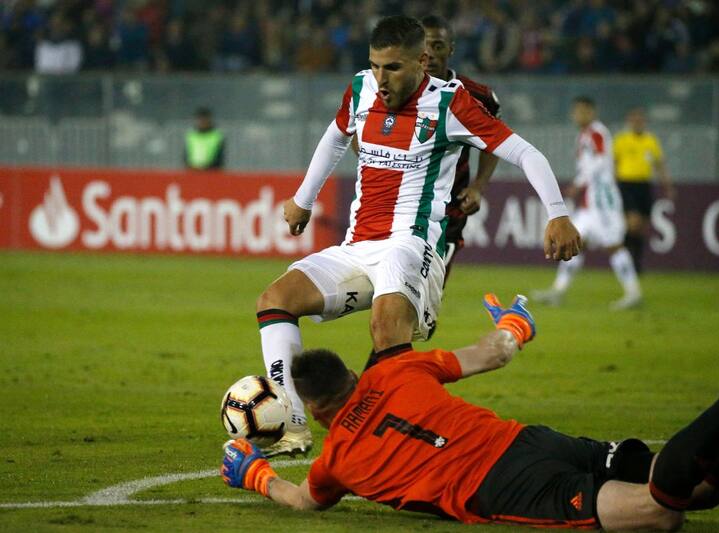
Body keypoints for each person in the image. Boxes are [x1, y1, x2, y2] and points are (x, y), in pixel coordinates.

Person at [257, 16, 581, 456]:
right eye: (374, 66)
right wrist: (303, 199)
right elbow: (336, 138)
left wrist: (557, 214)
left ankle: (397, 443)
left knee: (385, 329)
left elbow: (524, 152)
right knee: (275, 300)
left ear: (421, 61)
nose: (380, 78)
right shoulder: (361, 89)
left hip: (412, 244)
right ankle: (293, 424)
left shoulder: (452, 103)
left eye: (392, 67)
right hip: (359, 244)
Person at [221, 294, 719, 530]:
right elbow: (493, 353)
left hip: (503, 484)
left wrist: (255, 473)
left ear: (318, 413)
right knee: (699, 492)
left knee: (661, 514)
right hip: (528, 441)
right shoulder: (395, 369)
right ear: (353, 375)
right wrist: (515, 325)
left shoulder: (338, 461)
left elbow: (301, 499)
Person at [532, 97, 642, 310]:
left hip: (603, 201)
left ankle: (633, 292)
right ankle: (558, 291)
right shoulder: (584, 135)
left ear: (592, 112)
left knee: (614, 246)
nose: (578, 115)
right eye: (576, 111)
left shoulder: (597, 132)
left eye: (583, 111)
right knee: (573, 242)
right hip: (589, 203)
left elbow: (600, 162)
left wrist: (579, 182)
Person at [420, 14, 501, 284]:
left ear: (450, 49)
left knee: (426, 300)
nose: (429, 53)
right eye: (423, 46)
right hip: (398, 205)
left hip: (448, 210)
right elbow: (356, 132)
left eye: (438, 46)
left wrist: (478, 186)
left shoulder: (475, 96)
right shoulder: (393, 88)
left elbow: (494, 141)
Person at [614, 107, 675, 273]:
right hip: (626, 185)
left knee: (641, 227)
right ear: (629, 122)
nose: (637, 123)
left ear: (644, 122)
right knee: (633, 223)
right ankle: (622, 260)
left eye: (640, 120)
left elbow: (659, 165)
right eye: (634, 120)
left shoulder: (651, 141)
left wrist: (667, 186)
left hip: (644, 185)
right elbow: (613, 163)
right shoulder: (622, 140)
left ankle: (635, 263)